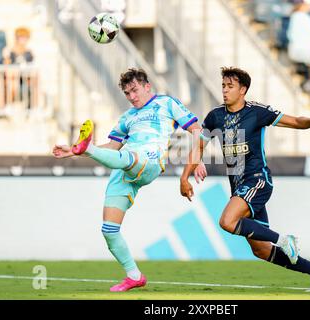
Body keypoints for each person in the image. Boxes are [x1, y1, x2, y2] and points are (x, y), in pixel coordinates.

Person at [180, 67, 310, 292]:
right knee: (261, 250)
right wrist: (185, 177)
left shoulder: (257, 112)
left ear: (242, 90)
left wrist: (309, 121)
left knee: (227, 221)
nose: (224, 90)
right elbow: (199, 146)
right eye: (223, 85)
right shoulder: (215, 116)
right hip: (238, 186)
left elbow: (293, 121)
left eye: (230, 86)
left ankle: (284, 239)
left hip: (258, 180)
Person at [52, 68, 202, 292]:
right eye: (127, 94)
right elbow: (112, 147)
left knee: (128, 157)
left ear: (147, 86)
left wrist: (197, 160)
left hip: (148, 160)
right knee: (109, 230)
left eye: (135, 90)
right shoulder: (127, 117)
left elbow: (197, 129)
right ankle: (134, 276)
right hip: (123, 165)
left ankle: (88, 147)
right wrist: (74, 151)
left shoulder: (166, 103)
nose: (132, 97)